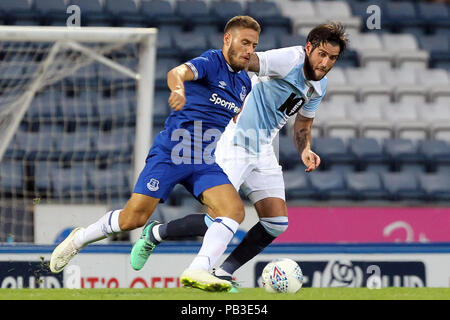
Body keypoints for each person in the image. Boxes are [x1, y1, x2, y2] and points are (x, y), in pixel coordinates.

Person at [50, 15, 261, 292]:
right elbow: (177, 72)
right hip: (171, 153)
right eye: (245, 42)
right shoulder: (211, 62)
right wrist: (178, 89)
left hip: (203, 161)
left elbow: (230, 115)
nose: (249, 50)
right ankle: (80, 239)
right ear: (227, 39)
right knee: (132, 219)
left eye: (254, 45)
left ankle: (199, 270)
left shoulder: (244, 83)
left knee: (233, 211)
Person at [131, 22, 349, 290]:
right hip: (234, 141)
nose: (326, 62)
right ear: (309, 48)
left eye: (332, 58)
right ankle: (164, 240)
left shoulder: (319, 85)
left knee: (276, 223)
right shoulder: (289, 59)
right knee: (221, 216)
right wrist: (234, 99)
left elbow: (303, 125)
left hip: (263, 148)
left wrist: (305, 150)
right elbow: (245, 61)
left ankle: (223, 271)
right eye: (322, 54)